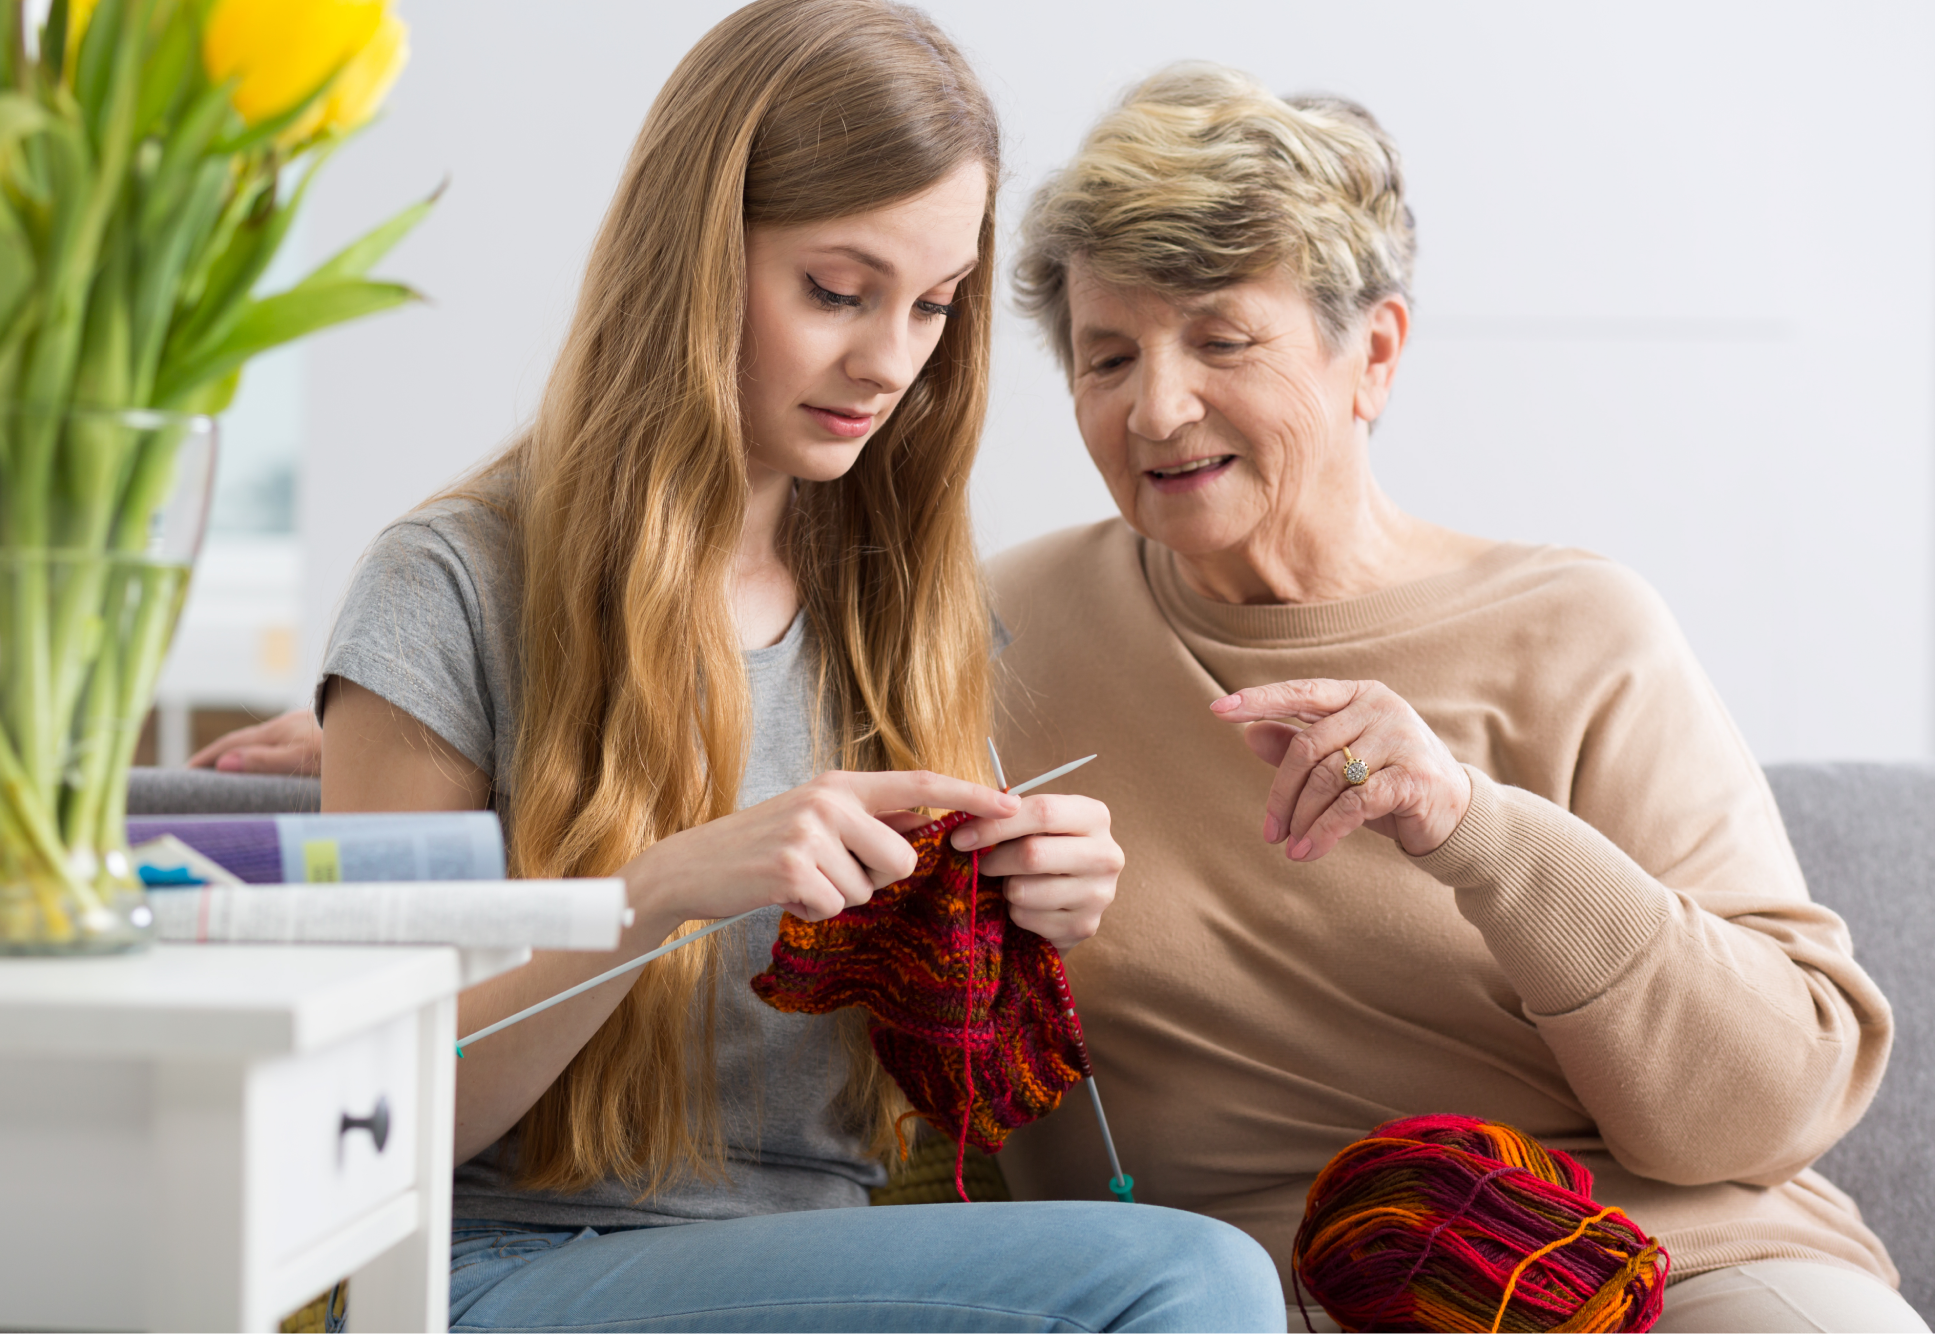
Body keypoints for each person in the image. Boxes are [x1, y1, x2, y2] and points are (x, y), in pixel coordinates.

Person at [295, 9, 1279, 1332]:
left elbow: (942, 1084)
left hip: (828, 1261)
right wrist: (647, 899)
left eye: (933, 305)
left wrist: (1024, 917)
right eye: (836, 289)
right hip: (494, 1267)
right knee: (1191, 1278)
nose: (888, 359)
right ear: (696, 254)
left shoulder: (907, 608)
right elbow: (362, 1118)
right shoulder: (450, 585)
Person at [980, 64, 1925, 1334]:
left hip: (1655, 1251)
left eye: (1218, 338)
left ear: (1370, 351)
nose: (1154, 406)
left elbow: (1765, 1102)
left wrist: (1479, 829)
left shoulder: (1577, 630)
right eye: (1107, 354)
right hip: (1249, 1287)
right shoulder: (991, 634)